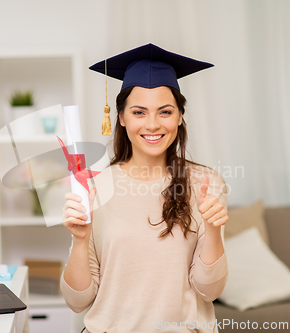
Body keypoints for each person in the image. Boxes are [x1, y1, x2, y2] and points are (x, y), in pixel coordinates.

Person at [60, 44, 229, 333]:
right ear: (122, 118)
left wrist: (213, 230)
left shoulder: (206, 182)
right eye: (139, 112)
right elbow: (77, 301)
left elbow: (208, 291)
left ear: (179, 117)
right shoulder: (92, 186)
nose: (152, 124)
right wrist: (79, 240)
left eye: (165, 111)